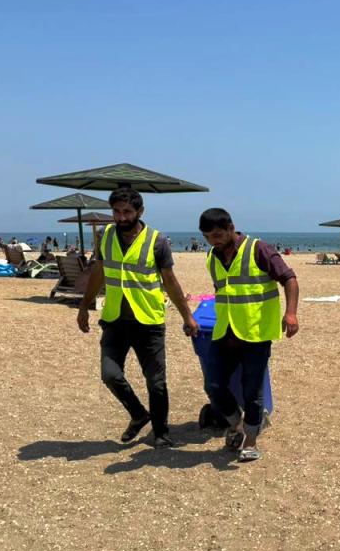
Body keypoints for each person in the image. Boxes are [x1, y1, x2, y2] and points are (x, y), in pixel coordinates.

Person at [77, 186, 199, 447]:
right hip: (114, 319)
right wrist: (84, 306)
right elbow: (99, 272)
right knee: (110, 374)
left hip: (148, 321)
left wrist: (187, 316)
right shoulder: (105, 237)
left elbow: (171, 282)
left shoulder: (157, 241)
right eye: (116, 212)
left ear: (140, 211)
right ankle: (138, 414)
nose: (121, 217)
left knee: (156, 382)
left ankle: (161, 432)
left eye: (127, 212)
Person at [199, 208, 299, 462]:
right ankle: (237, 425)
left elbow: (289, 278)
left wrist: (291, 313)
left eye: (218, 235)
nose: (213, 241)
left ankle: (251, 441)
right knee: (213, 385)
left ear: (231, 228)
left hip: (256, 333)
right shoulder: (212, 257)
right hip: (224, 332)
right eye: (208, 237)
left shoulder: (258, 249)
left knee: (252, 390)